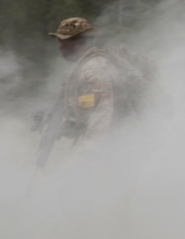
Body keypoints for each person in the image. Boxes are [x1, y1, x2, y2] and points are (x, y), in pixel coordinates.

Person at [35, 17, 126, 167]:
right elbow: (84, 116)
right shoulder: (84, 68)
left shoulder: (93, 69)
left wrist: (89, 152)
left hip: (114, 149)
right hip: (113, 147)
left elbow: (104, 111)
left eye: (62, 41)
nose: (59, 47)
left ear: (75, 42)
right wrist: (54, 125)